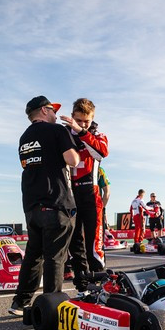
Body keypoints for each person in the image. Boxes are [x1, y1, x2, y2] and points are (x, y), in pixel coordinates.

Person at [10, 96, 79, 316]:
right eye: (52, 110)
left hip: (31, 205)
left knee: (33, 255)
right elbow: (72, 160)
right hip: (55, 202)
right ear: (43, 110)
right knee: (55, 257)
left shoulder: (24, 137)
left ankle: (20, 303)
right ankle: (52, 308)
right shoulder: (57, 130)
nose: (56, 114)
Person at [60, 98, 109, 281]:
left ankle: (100, 280)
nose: (82, 124)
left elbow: (102, 152)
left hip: (91, 194)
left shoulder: (98, 136)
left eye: (86, 121)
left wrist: (81, 131)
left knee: (94, 242)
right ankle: (80, 281)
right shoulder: (63, 135)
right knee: (74, 241)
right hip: (69, 195)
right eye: (78, 120)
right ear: (72, 116)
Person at [97, 166, 111, 230]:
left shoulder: (99, 170)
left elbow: (107, 191)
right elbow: (107, 191)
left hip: (95, 208)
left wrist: (102, 208)